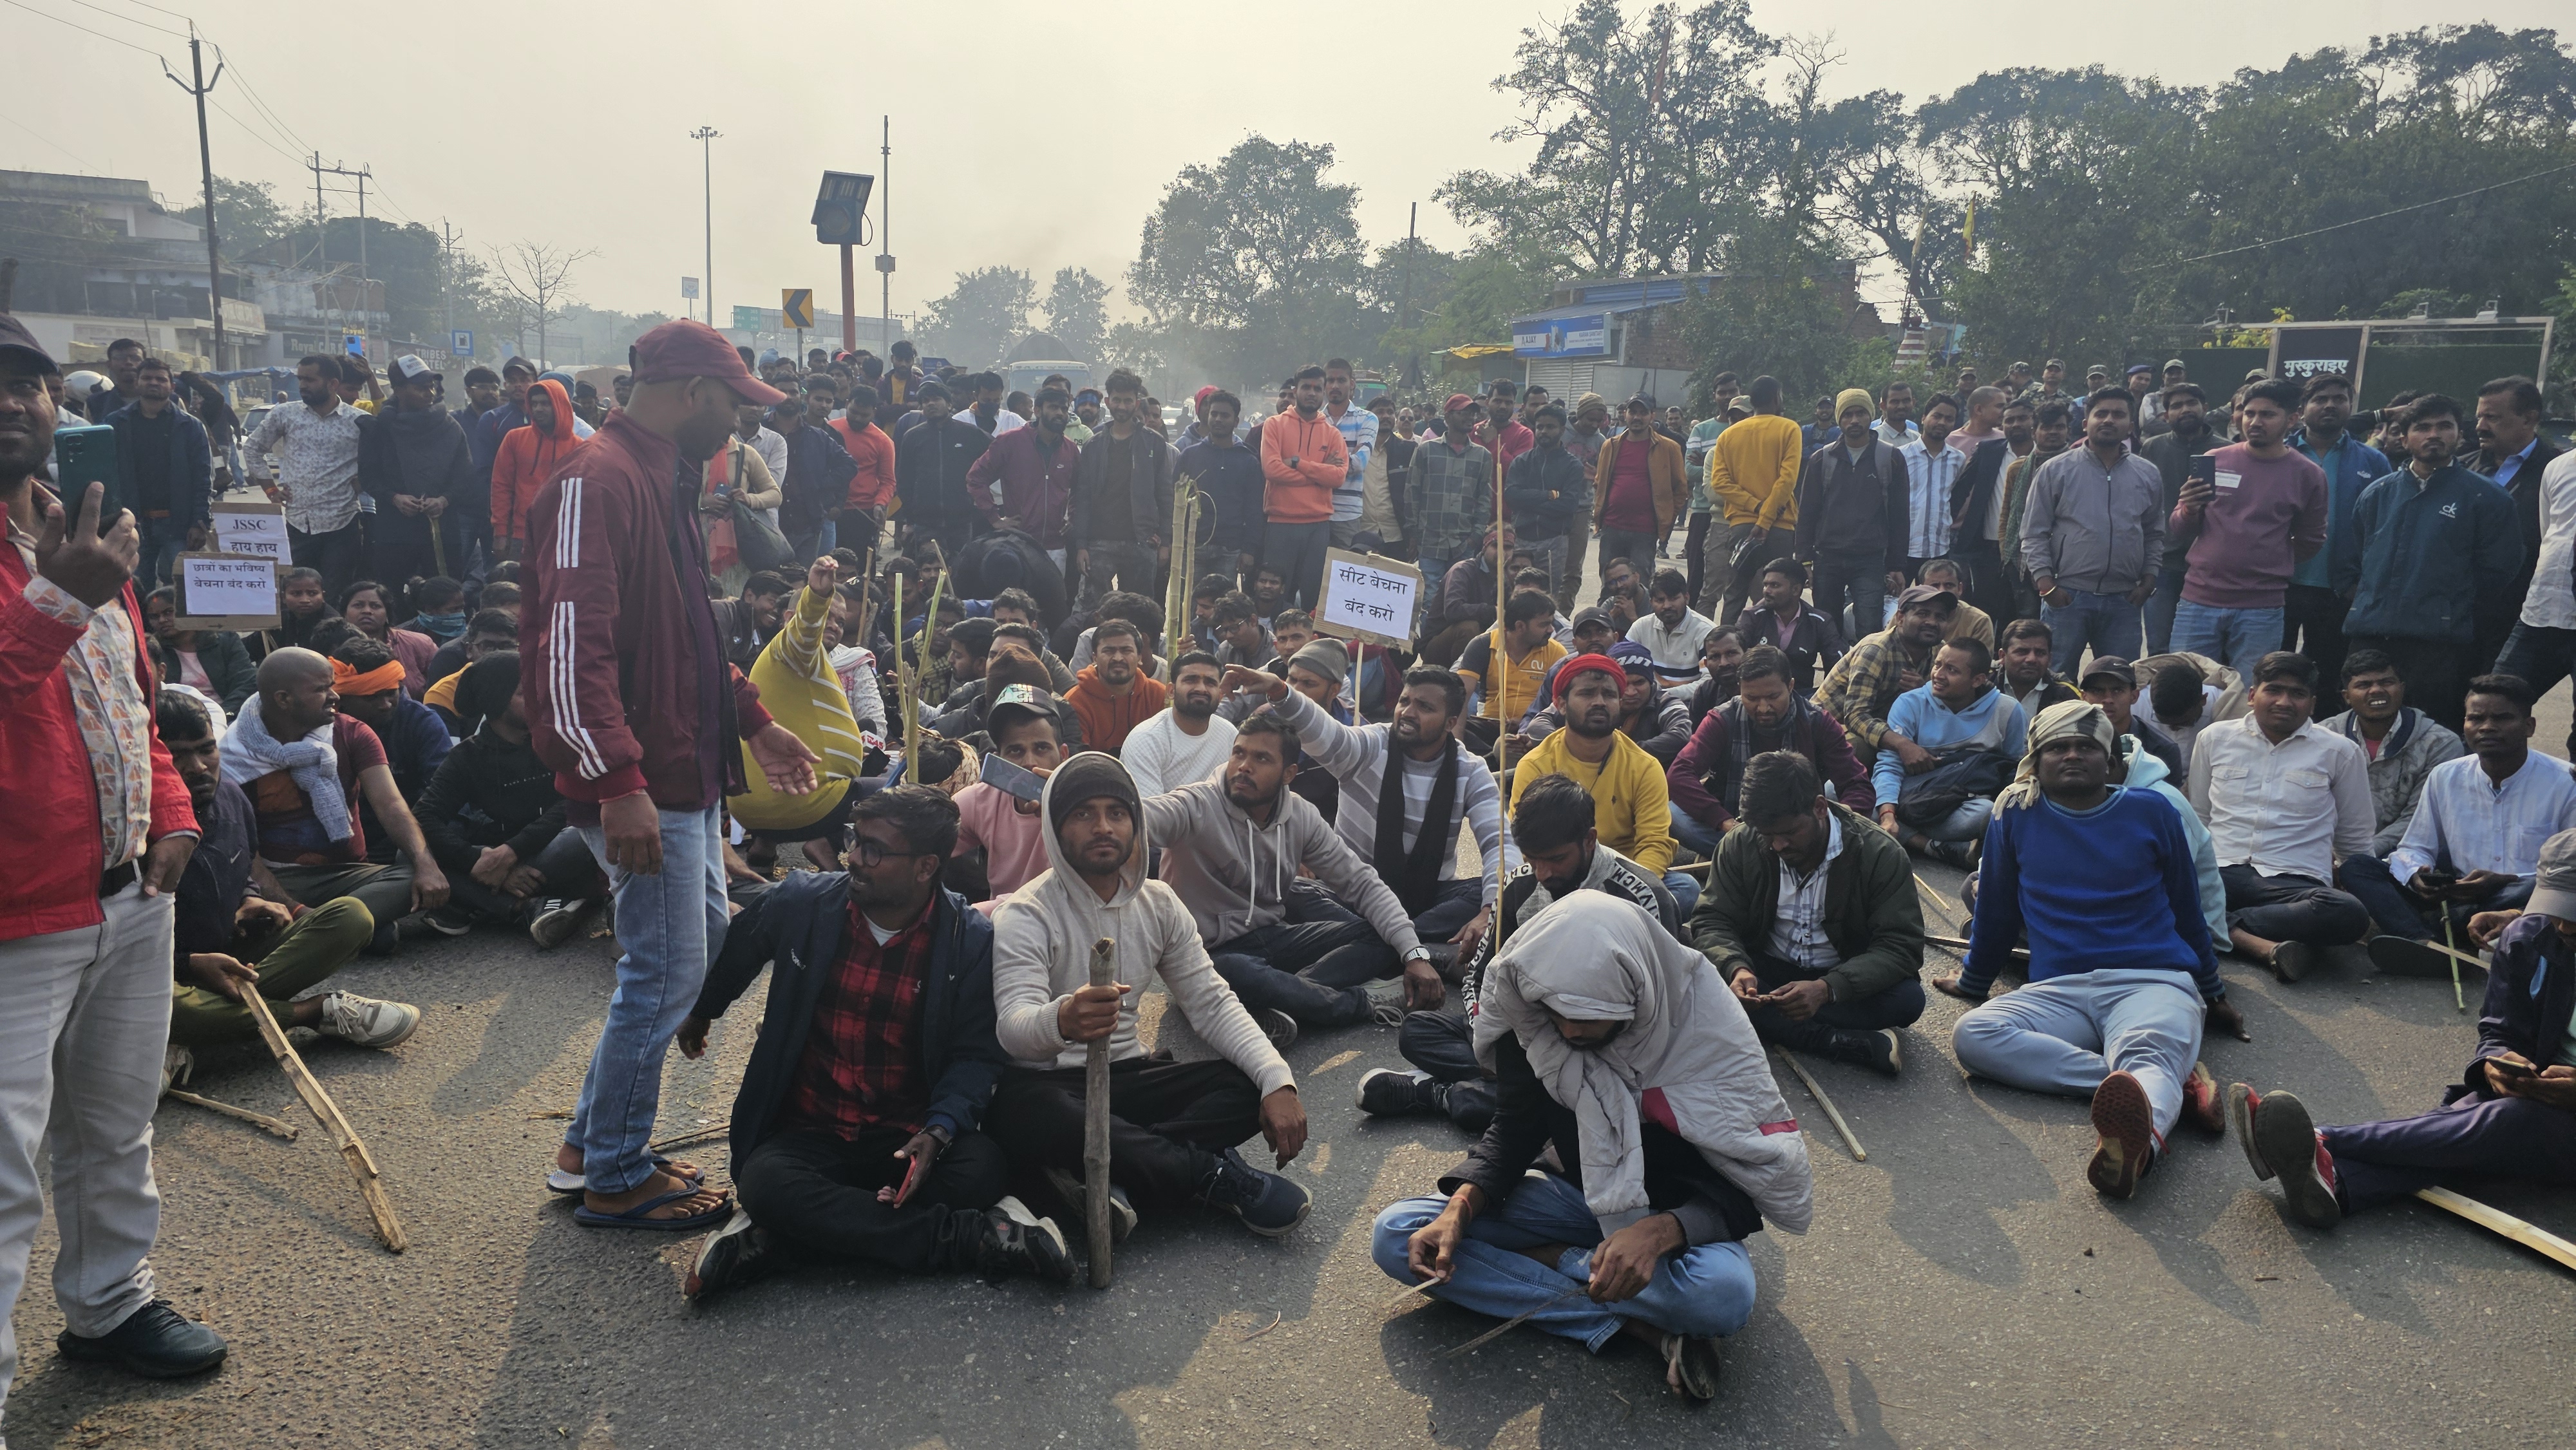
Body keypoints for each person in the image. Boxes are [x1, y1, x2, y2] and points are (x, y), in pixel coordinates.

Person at [522, 319, 824, 1232]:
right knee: (663, 972)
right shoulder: (599, 478)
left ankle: (590, 1143)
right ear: (695, 393)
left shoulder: (661, 477)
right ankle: (614, 1171)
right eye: (735, 404)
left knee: (686, 955)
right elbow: (573, 651)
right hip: (642, 778)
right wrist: (617, 781)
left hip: (679, 774)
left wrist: (754, 722)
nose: (740, 423)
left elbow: (687, 634)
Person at [0, 314, 230, 1397]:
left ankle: (107, 1305)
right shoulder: (74, 562)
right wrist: (57, 598)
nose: (12, 401)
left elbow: (128, 698)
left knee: (113, 1125)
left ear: (57, 404)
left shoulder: (82, 527)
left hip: (129, 889)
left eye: (29, 382)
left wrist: (174, 805)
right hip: (15, 913)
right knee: (5, 1183)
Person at [1370, 893, 1812, 1404]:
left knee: (1723, 1298)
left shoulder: (1706, 1034)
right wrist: (1459, 1208)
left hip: (1679, 1215)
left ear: (1638, 992)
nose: (1573, 1029)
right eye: (1562, 1011)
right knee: (1399, 1237)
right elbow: (1515, 1128)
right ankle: (1640, 1329)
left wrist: (1659, 1232)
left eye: (1593, 1014)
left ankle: (1548, 1263)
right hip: (1573, 1192)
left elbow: (1747, 1188)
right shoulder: (1535, 1023)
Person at [676, 784, 1072, 1301]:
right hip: (809, 1131)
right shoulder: (803, 903)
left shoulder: (969, 940)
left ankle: (779, 1239)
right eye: (855, 842)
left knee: (982, 1168)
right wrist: (702, 1013)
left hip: (902, 1135)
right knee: (765, 1181)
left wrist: (938, 1131)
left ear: (927, 867)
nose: (854, 859)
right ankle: (973, 1237)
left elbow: (975, 1055)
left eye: (874, 850)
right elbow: (741, 948)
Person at [987, 753, 1312, 1239]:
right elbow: (1013, 1028)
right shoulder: (1025, 915)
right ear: (1056, 828)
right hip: (1052, 1088)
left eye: (1117, 813)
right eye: (1083, 813)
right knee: (1030, 1115)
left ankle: (1115, 1173)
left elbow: (1212, 1002)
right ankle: (1208, 1176)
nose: (1103, 827)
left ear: (1135, 824)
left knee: (1247, 1086)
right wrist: (1062, 1021)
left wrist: (1278, 1081)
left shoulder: (1159, 903)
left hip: (1130, 1080)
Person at [1942, 701, 2241, 1198]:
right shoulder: (2014, 813)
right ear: (2036, 760)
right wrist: (1973, 982)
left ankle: (2137, 1139)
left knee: (2147, 1049)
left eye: (2086, 747)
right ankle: (2162, 1086)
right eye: (2057, 747)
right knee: (1975, 1035)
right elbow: (1995, 910)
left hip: (2154, 980)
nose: (2072, 756)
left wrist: (2213, 991)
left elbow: (2189, 909)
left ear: (2112, 761)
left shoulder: (2153, 810)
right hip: (2060, 988)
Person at [2227, 827, 2576, 1231]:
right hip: (2541, 1100)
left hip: (2540, 1116)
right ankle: (2337, 1184)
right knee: (2470, 1122)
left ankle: (2322, 1140)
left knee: (2508, 1122)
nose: (2565, 928)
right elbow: (2501, 1032)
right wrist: (2496, 1065)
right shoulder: (2529, 938)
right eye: (2557, 909)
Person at [1365, 774, 1680, 1135]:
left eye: (1556, 859)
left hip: (1602, 1046)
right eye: (1533, 859)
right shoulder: (1520, 885)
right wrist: (1487, 1036)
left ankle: (1445, 1096)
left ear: (1590, 840)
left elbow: (1663, 1012)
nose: (1543, 873)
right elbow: (1479, 979)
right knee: (1417, 1031)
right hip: (1527, 1038)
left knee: (1598, 1098)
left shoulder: (1642, 897)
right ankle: (1508, 1094)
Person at [1143, 713, 1437, 1039]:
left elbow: (1361, 883)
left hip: (1273, 938)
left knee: (1381, 934)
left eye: (1262, 758)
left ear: (1289, 774)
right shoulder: (1195, 805)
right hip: (1208, 954)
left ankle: (1286, 999)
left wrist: (1415, 954)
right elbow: (1140, 818)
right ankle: (1358, 1002)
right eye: (1239, 753)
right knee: (1234, 972)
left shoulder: (1300, 816)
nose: (1244, 766)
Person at [157, 686, 414, 1057]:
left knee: (351, 918)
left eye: (205, 749)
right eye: (177, 756)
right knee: (168, 1005)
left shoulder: (231, 797)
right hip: (168, 972)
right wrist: (190, 964)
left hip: (236, 952)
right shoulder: (133, 829)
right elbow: (113, 947)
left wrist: (250, 898)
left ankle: (202, 1029)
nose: (197, 767)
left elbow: (243, 866)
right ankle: (311, 1013)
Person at [1228, 662, 1513, 957]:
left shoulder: (1470, 771)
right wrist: (1280, 691)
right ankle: (1417, 950)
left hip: (1429, 895)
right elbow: (1326, 733)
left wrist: (1490, 912)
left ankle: (1378, 945)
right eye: (1405, 701)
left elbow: (1500, 845)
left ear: (1450, 722)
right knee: (1290, 889)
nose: (1408, 713)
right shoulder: (1370, 746)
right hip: (1353, 896)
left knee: (1498, 890)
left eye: (1425, 707)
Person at [1695, 750, 1925, 1074]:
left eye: (1789, 833)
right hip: (1766, 971)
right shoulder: (1740, 843)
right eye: (1767, 835)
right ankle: (1835, 1041)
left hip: (1841, 974)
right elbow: (1712, 919)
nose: (1778, 846)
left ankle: (1758, 1018)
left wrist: (1827, 989)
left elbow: (1900, 947)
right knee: (1695, 970)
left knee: (1907, 1000)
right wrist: (1736, 969)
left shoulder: (1880, 853)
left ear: (1820, 807)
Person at [2336, 674, 2576, 976]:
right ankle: (2427, 944)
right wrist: (2417, 875)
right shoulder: (2446, 776)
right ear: (2465, 724)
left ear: (2529, 726)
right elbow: (2415, 847)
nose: (2487, 727)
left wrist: (2504, 880)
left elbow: (2569, 871)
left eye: (2501, 719)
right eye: (2476, 718)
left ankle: (2428, 932)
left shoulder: (2565, 780)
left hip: (2520, 896)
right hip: (2455, 893)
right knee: (2358, 867)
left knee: (2540, 889)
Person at [227, 646, 448, 949]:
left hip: (349, 874)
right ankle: (340, 930)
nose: (335, 696)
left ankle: (315, 936)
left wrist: (426, 865)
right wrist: (294, 907)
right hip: (277, 879)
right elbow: (241, 851)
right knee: (379, 937)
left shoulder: (352, 732)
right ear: (283, 699)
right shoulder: (232, 753)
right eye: (321, 689)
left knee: (419, 870)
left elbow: (391, 805)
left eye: (332, 685)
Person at [2332, 393, 2521, 735]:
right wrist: (2369, 600)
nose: (2434, 434)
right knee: (2363, 731)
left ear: (2458, 436)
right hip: (2370, 636)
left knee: (2433, 733)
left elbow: (2500, 571)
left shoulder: (2487, 498)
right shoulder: (2377, 494)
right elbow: (2348, 559)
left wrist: (2449, 606)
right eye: (2422, 427)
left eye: (2443, 426)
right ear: (2404, 439)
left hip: (2440, 643)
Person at [2186, 652, 2374, 981]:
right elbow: (2200, 817)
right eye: (2273, 690)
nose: (2284, 702)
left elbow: (2354, 839)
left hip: (2293, 885)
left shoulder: (2340, 752)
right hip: (2220, 873)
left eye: (2297, 694)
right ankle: (2257, 942)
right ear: (2251, 696)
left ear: (2312, 704)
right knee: (2155, 884)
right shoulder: (2214, 738)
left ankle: (2216, 926)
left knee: (2347, 913)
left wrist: (2367, 894)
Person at [412, 652, 605, 947]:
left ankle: (473, 903)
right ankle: (525, 908)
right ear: (496, 699)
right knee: (410, 854)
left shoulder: (560, 739)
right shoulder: (468, 756)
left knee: (584, 832)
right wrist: (475, 859)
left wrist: (511, 852)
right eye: (524, 692)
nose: (539, 699)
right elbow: (425, 817)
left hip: (551, 850)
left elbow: (576, 801)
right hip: (501, 861)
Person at [2162, 378, 2329, 683]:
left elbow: (2311, 540)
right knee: (2184, 687)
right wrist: (2188, 509)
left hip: (2261, 608)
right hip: (2199, 600)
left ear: (2292, 419)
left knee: (2250, 695)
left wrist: (2269, 561)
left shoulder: (2309, 475)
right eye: (2249, 413)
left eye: (2267, 415)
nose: (2255, 422)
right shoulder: (2214, 460)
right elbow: (2179, 528)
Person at [1510, 654, 1692, 911]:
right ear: (1561, 704)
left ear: (1619, 702)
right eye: (1587, 694)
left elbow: (1654, 843)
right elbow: (1523, 844)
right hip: (1555, 876)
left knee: (1686, 889)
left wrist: (1624, 893)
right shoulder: (1536, 764)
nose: (1599, 702)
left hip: (1623, 879)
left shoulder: (1644, 766)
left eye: (1608, 695)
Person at [730, 557, 870, 873]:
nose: (833, 625)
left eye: (840, 620)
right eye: (827, 617)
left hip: (761, 805)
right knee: (897, 795)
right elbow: (804, 630)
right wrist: (817, 598)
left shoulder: (795, 663)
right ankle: (836, 859)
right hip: (805, 803)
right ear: (789, 618)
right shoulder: (791, 650)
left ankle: (762, 856)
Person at [1667, 645, 1871, 856]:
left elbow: (1856, 784)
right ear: (1740, 689)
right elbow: (1679, 774)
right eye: (1752, 698)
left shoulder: (1818, 722)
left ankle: (1736, 856)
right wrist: (1724, 823)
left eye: (1773, 697)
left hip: (1800, 825)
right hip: (1736, 822)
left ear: (1791, 686)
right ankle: (1748, 851)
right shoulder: (1721, 720)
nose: (1763, 708)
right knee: (1672, 814)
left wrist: (1841, 824)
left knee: (1841, 802)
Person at [2020, 388, 2165, 666]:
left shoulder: (2147, 473)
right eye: (2101, 414)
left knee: (2119, 682)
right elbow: (2033, 532)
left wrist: (2149, 580)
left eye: (2118, 414)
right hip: (2067, 598)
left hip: (2125, 600)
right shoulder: (2055, 470)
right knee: (2057, 682)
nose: (2109, 420)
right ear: (2086, 423)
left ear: (2130, 426)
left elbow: (2154, 533)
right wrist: (2046, 585)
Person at [1873, 638, 2029, 869]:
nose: (1939, 674)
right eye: (1937, 665)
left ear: (1978, 680)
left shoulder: (2008, 710)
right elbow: (1890, 765)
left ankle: (1899, 834)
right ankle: (1931, 846)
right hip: (1909, 796)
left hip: (1962, 802)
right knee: (1834, 792)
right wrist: (1887, 813)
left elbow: (2016, 768)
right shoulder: (1910, 703)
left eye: (1952, 670)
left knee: (1986, 814)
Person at [2316, 649, 2463, 862]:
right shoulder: (2323, 737)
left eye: (2386, 682)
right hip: (2325, 853)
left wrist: (2356, 856)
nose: (2376, 690)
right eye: (2364, 685)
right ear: (2347, 696)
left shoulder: (2440, 743)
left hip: (2403, 852)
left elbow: (2420, 817)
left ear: (2402, 689)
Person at [242, 353, 368, 599]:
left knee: (334, 596)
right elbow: (252, 448)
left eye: (310, 380)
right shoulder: (286, 415)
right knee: (297, 596)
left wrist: (362, 483)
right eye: (300, 379)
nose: (302, 386)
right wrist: (270, 490)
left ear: (332, 384)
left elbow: (379, 461)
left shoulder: (359, 421)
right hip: (299, 523)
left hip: (342, 523)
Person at [326, 637, 451, 871]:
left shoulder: (421, 721)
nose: (386, 705)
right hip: (341, 846)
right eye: (372, 697)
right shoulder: (321, 730)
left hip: (414, 836)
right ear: (341, 697)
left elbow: (445, 795)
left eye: (392, 693)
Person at [1794, 388, 1908, 639]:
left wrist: (1897, 565)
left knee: (1869, 627)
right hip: (1828, 558)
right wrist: (1804, 559)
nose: (1854, 420)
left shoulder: (1891, 458)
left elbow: (1900, 516)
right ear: (1838, 419)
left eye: (1860, 414)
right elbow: (1807, 514)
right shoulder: (1821, 460)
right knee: (1827, 627)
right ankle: (1834, 678)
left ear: (1871, 415)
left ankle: (1862, 677)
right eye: (1847, 415)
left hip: (1870, 560)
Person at [357, 355, 475, 587]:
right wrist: (394, 498)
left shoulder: (450, 427)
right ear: (398, 389)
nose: (429, 394)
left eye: (431, 387)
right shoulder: (379, 429)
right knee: (394, 594)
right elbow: (369, 477)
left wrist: (444, 499)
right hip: (393, 529)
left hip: (441, 528)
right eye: (420, 388)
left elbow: (465, 474)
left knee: (445, 593)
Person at [2467, 377, 2559, 664]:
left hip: (2520, 617)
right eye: (2479, 416)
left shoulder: (2556, 473)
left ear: (2528, 419)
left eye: (2492, 417)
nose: (2480, 426)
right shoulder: (2462, 467)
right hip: (2459, 614)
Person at [100, 355, 213, 585]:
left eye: (161, 379)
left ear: (171, 386)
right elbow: (105, 474)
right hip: (132, 523)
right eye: (147, 378)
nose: (154, 383)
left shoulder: (190, 426)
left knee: (182, 590)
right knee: (134, 587)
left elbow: (204, 477)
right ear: (138, 383)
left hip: (178, 524)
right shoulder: (115, 423)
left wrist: (200, 522)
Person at [1814, 584, 1952, 768]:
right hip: (1829, 726)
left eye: (1940, 617)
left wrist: (1925, 691)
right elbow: (1856, 716)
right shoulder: (1876, 650)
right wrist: (1902, 744)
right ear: (1901, 618)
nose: (1932, 622)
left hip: (1888, 725)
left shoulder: (1940, 651)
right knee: (1859, 749)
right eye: (1923, 614)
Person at [1700, 375, 1803, 621]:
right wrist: (1766, 517)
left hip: (1741, 527)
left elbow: (1720, 484)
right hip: (1779, 528)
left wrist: (1755, 508)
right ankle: (1776, 650)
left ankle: (1727, 647)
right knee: (1781, 595)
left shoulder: (1728, 436)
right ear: (1777, 397)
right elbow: (1787, 481)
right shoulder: (1789, 428)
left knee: (1735, 592)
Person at [948, 685, 1063, 903]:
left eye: (1041, 748)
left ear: (1063, 755)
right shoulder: (980, 800)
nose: (1030, 762)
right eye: (1016, 751)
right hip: (998, 925)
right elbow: (924, 844)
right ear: (999, 757)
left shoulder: (1083, 805)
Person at [2139, 382, 2229, 654]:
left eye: (2191, 403)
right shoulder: (2152, 449)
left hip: (2212, 565)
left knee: (2207, 652)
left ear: (2205, 408)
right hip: (2164, 562)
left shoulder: (2228, 451)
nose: (2185, 409)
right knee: (2159, 646)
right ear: (2166, 416)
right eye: (2176, 406)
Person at [1519, 642, 1692, 766]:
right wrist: (1576, 748)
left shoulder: (1666, 702)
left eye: (1639, 683)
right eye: (1625, 685)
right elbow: (1539, 723)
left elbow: (1680, 735)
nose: (1631, 692)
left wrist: (1617, 752)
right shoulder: (1597, 701)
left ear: (1651, 683)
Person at [1456, 589, 1568, 753]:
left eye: (1551, 623)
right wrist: (1457, 747)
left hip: (1533, 731)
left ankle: (1494, 760)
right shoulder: (1483, 645)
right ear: (1520, 626)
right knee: (1449, 728)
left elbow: (1563, 701)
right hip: (1488, 727)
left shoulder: (1556, 652)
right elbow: (1461, 697)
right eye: (1544, 624)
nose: (1551, 630)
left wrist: (1527, 721)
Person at [490, 378, 587, 562]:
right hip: (521, 535)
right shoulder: (515, 439)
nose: (538, 409)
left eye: (545, 403)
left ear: (560, 405)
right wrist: (500, 533)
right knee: (520, 590)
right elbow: (501, 487)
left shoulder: (579, 448)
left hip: (562, 538)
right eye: (534, 404)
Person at [893, 382, 990, 562]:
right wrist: (910, 518)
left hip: (962, 521)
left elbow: (996, 457)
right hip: (925, 523)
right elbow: (904, 480)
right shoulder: (912, 437)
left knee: (961, 570)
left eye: (936, 399)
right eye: (926, 401)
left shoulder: (969, 434)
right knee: (929, 571)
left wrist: (978, 492)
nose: (931, 404)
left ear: (949, 404)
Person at [1593, 394, 1686, 578]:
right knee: (1609, 582)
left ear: (1652, 416)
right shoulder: (1609, 446)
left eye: (1643, 413)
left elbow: (1681, 489)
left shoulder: (1669, 448)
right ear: (1625, 414)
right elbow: (1600, 483)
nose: (1637, 417)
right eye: (1633, 412)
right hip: (1612, 527)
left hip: (1645, 530)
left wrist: (1666, 518)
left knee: (1640, 584)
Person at [1121, 651, 1236, 798]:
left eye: (1210, 683)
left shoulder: (1229, 734)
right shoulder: (1146, 739)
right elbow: (1151, 812)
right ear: (1171, 691)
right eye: (1191, 680)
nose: (1201, 689)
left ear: (1220, 694)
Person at [1504, 402, 1587, 604]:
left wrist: (1528, 501)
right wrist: (1549, 495)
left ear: (1562, 429)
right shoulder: (1522, 462)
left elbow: (1568, 505)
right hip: (1523, 540)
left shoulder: (1572, 465)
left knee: (1548, 598)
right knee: (1517, 597)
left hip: (1555, 541)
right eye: (1540, 426)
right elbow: (1512, 497)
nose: (1543, 431)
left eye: (1550, 427)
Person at [775, 377, 861, 561]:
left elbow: (847, 467)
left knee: (817, 571)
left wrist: (832, 497)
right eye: (818, 399)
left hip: (816, 515)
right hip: (775, 516)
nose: (823, 405)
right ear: (808, 399)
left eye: (828, 401)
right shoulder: (767, 431)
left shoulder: (828, 436)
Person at [1733, 558, 1841, 695]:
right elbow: (1735, 660)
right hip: (1758, 696)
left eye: (1775, 585)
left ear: (1796, 589)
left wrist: (1823, 701)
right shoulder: (1752, 616)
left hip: (1802, 697)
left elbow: (1837, 669)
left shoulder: (1820, 622)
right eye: (1765, 585)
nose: (1766, 591)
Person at [1062, 618, 1168, 757]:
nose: (1118, 658)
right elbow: (1078, 761)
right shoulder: (1075, 702)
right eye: (1109, 651)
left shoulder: (1159, 695)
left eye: (1126, 650)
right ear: (1095, 657)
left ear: (1139, 657)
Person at [143, 585, 256, 714]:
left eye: (169, 612)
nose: (162, 620)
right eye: (154, 617)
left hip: (228, 716)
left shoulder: (225, 640)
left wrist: (222, 716)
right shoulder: (151, 650)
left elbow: (246, 682)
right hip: (178, 722)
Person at [2074, 656, 2184, 778]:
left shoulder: (2161, 750)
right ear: (2084, 697)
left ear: (2134, 696)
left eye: (2117, 691)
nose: (2108, 699)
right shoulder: (2068, 740)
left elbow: (2168, 796)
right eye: (2097, 691)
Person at [336, 579, 436, 700]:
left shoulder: (420, 644)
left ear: (387, 615)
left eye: (375, 606)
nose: (367, 611)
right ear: (344, 614)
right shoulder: (332, 647)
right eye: (358, 605)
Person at [1625, 567, 1717, 691]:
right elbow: (1622, 664)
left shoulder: (1705, 632)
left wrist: (1663, 696)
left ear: (1686, 598)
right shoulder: (1641, 627)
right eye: (1660, 600)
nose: (1667, 606)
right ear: (1651, 602)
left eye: (1673, 598)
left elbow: (1709, 681)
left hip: (1690, 704)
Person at [1997, 617, 2079, 718]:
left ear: (2049, 659)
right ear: (2002, 656)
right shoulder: (1981, 685)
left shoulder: (2066, 696)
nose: (2031, 659)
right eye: (2022, 652)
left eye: (2040, 653)